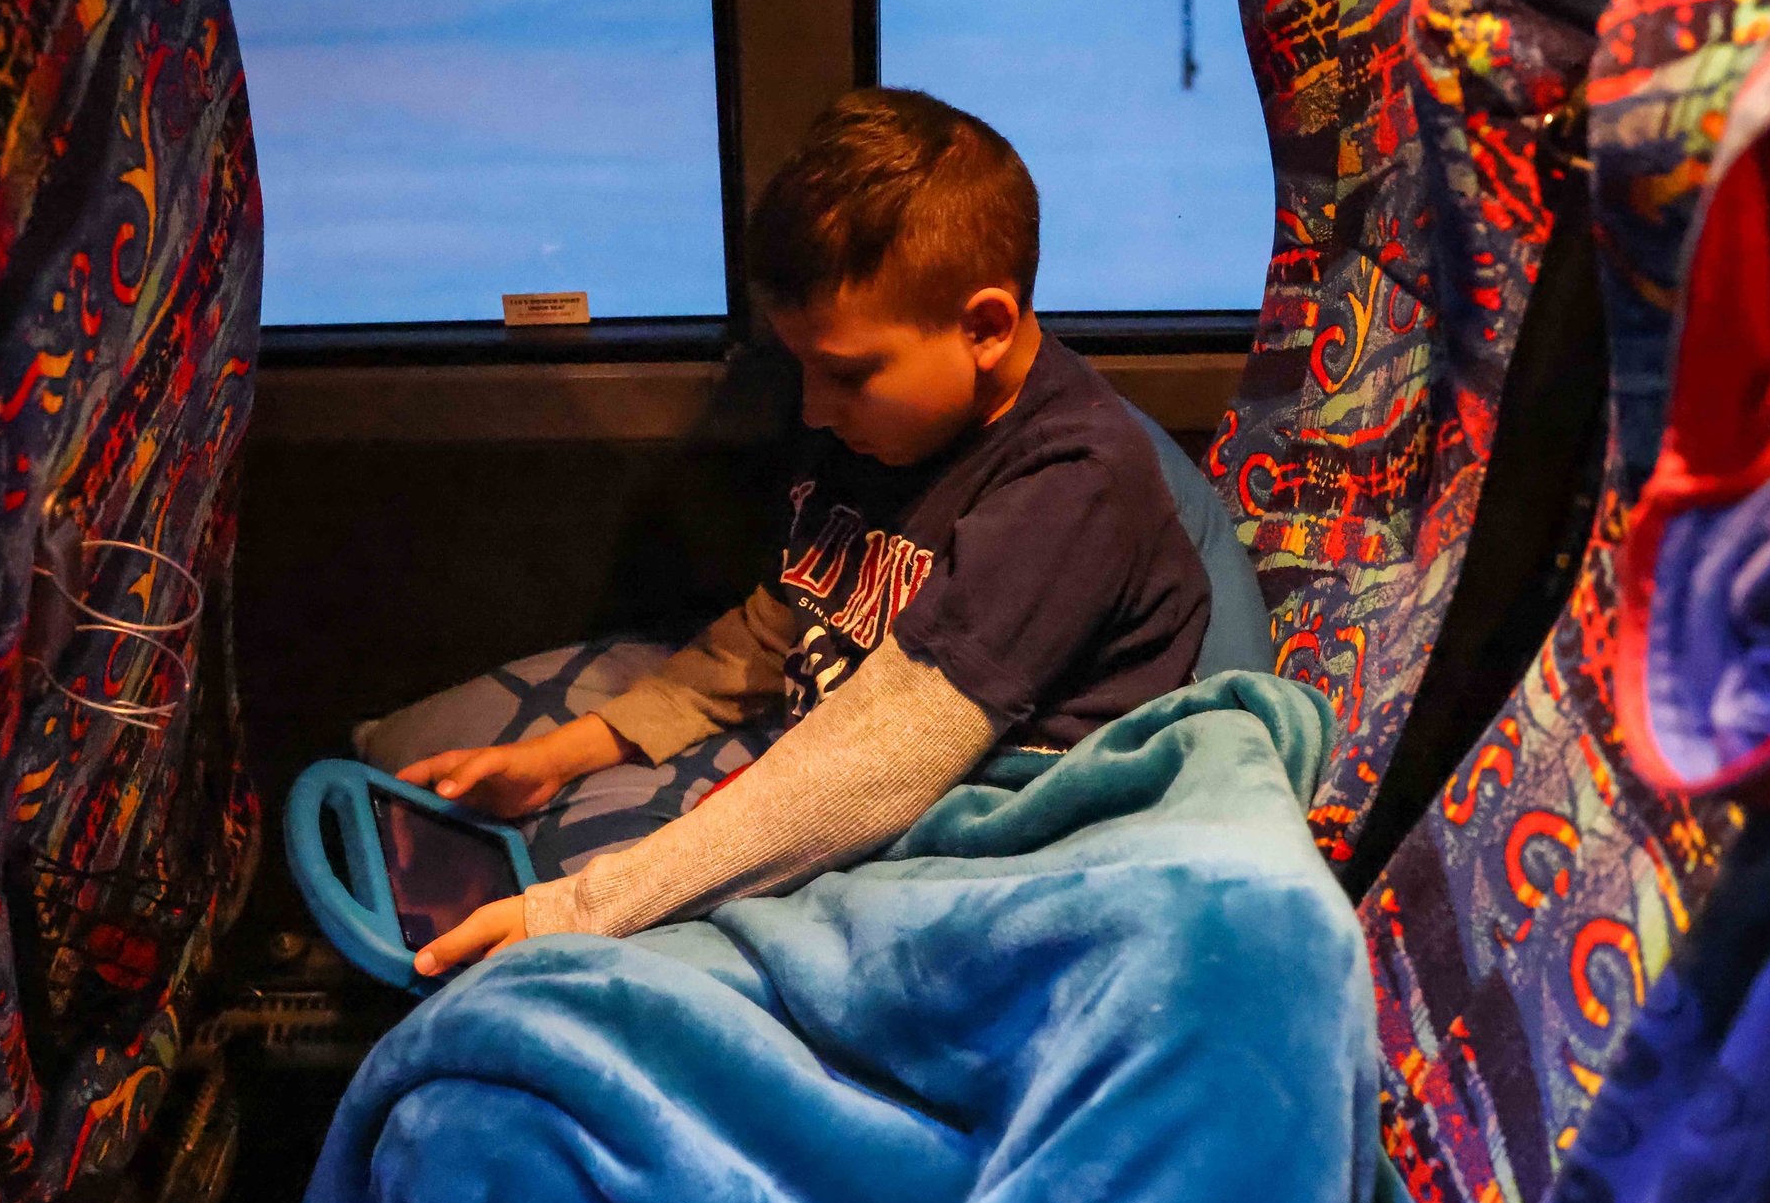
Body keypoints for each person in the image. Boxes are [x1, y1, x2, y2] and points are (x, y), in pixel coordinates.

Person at [396, 87, 1213, 974]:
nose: (814, 410)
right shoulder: (883, 426)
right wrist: (562, 755)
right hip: (862, 786)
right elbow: (781, 625)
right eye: (800, 369)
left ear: (984, 326)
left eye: (845, 375)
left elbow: (886, 758)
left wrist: (575, 912)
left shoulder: (1074, 484)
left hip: (990, 841)